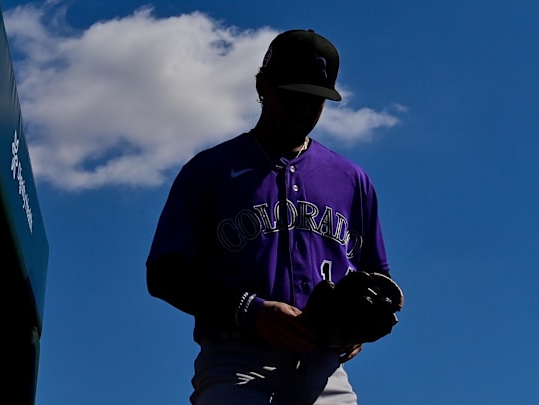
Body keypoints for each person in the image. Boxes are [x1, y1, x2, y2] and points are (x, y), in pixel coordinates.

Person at [146, 29, 395, 405]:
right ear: (263, 86)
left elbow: (377, 279)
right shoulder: (209, 171)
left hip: (324, 366)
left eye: (315, 100)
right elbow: (165, 273)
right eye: (293, 95)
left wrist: (356, 324)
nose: (303, 109)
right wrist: (252, 310)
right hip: (238, 360)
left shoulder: (352, 180)